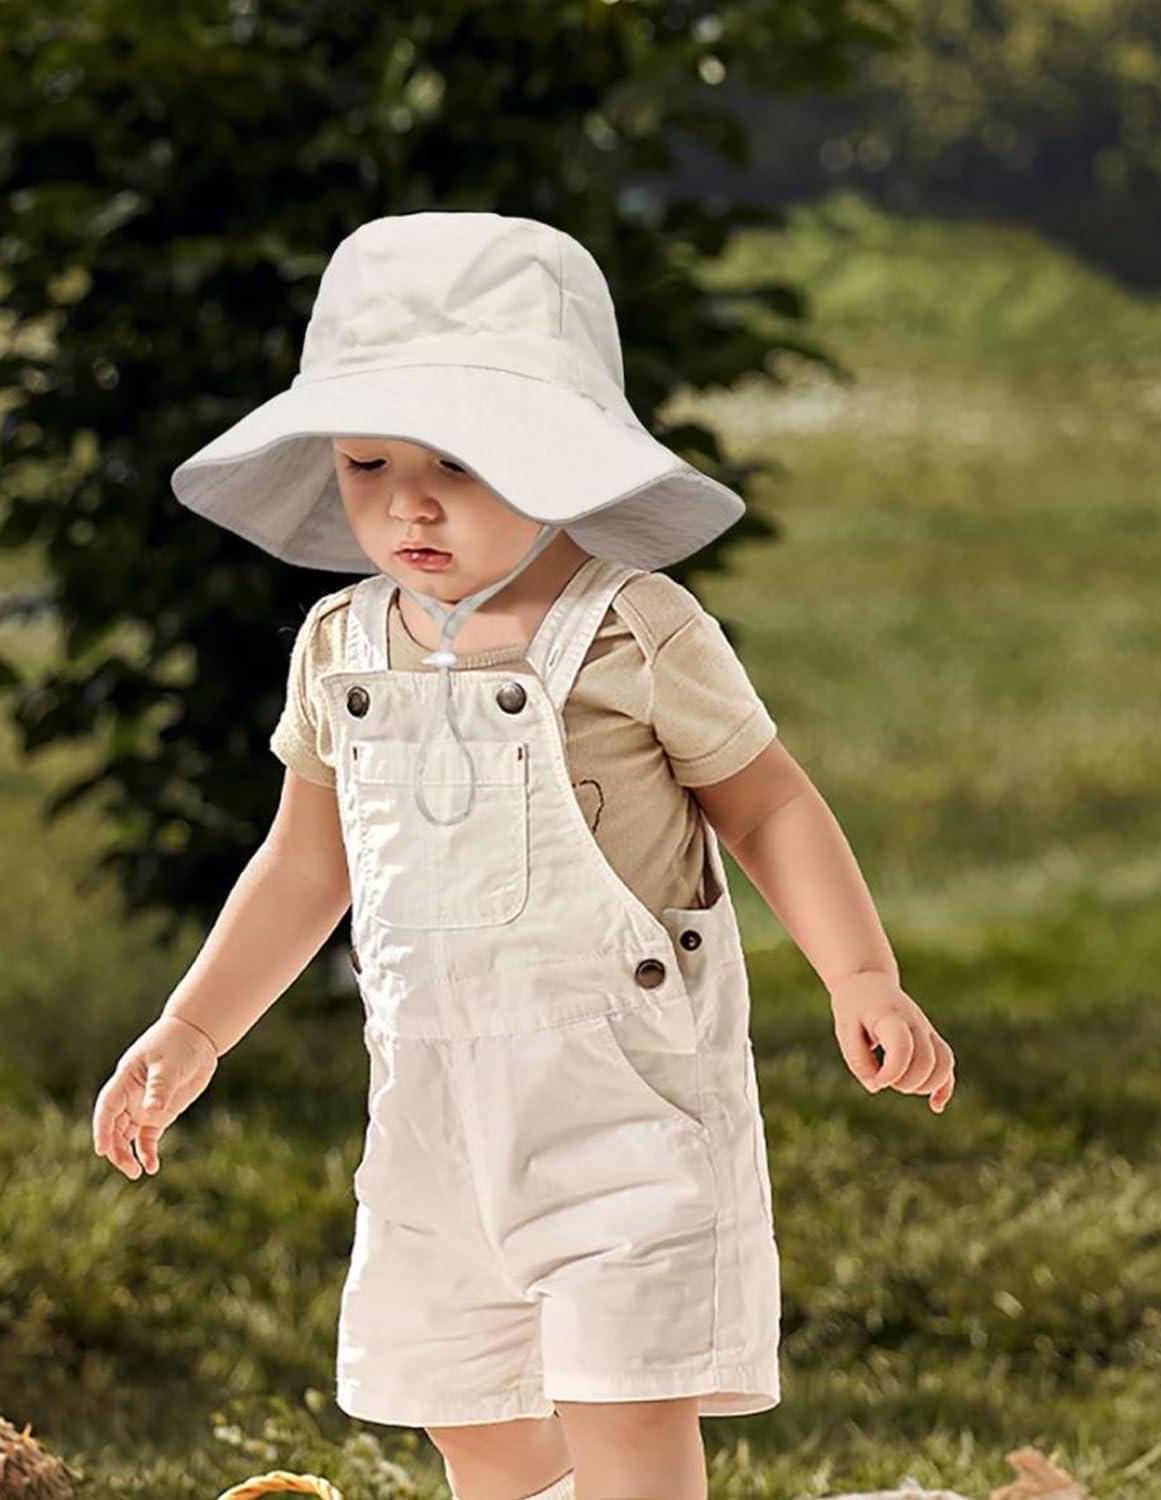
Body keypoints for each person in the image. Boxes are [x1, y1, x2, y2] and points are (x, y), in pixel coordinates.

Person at [92, 212, 956, 1500]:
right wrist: (192, 1027)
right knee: (471, 1416)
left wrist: (862, 975)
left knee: (625, 1410)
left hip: (622, 1104)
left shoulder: (633, 629)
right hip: (433, 1111)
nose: (408, 503)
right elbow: (303, 862)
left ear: (557, 454)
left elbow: (768, 803)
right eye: (368, 462)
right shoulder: (341, 646)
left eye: (460, 460)